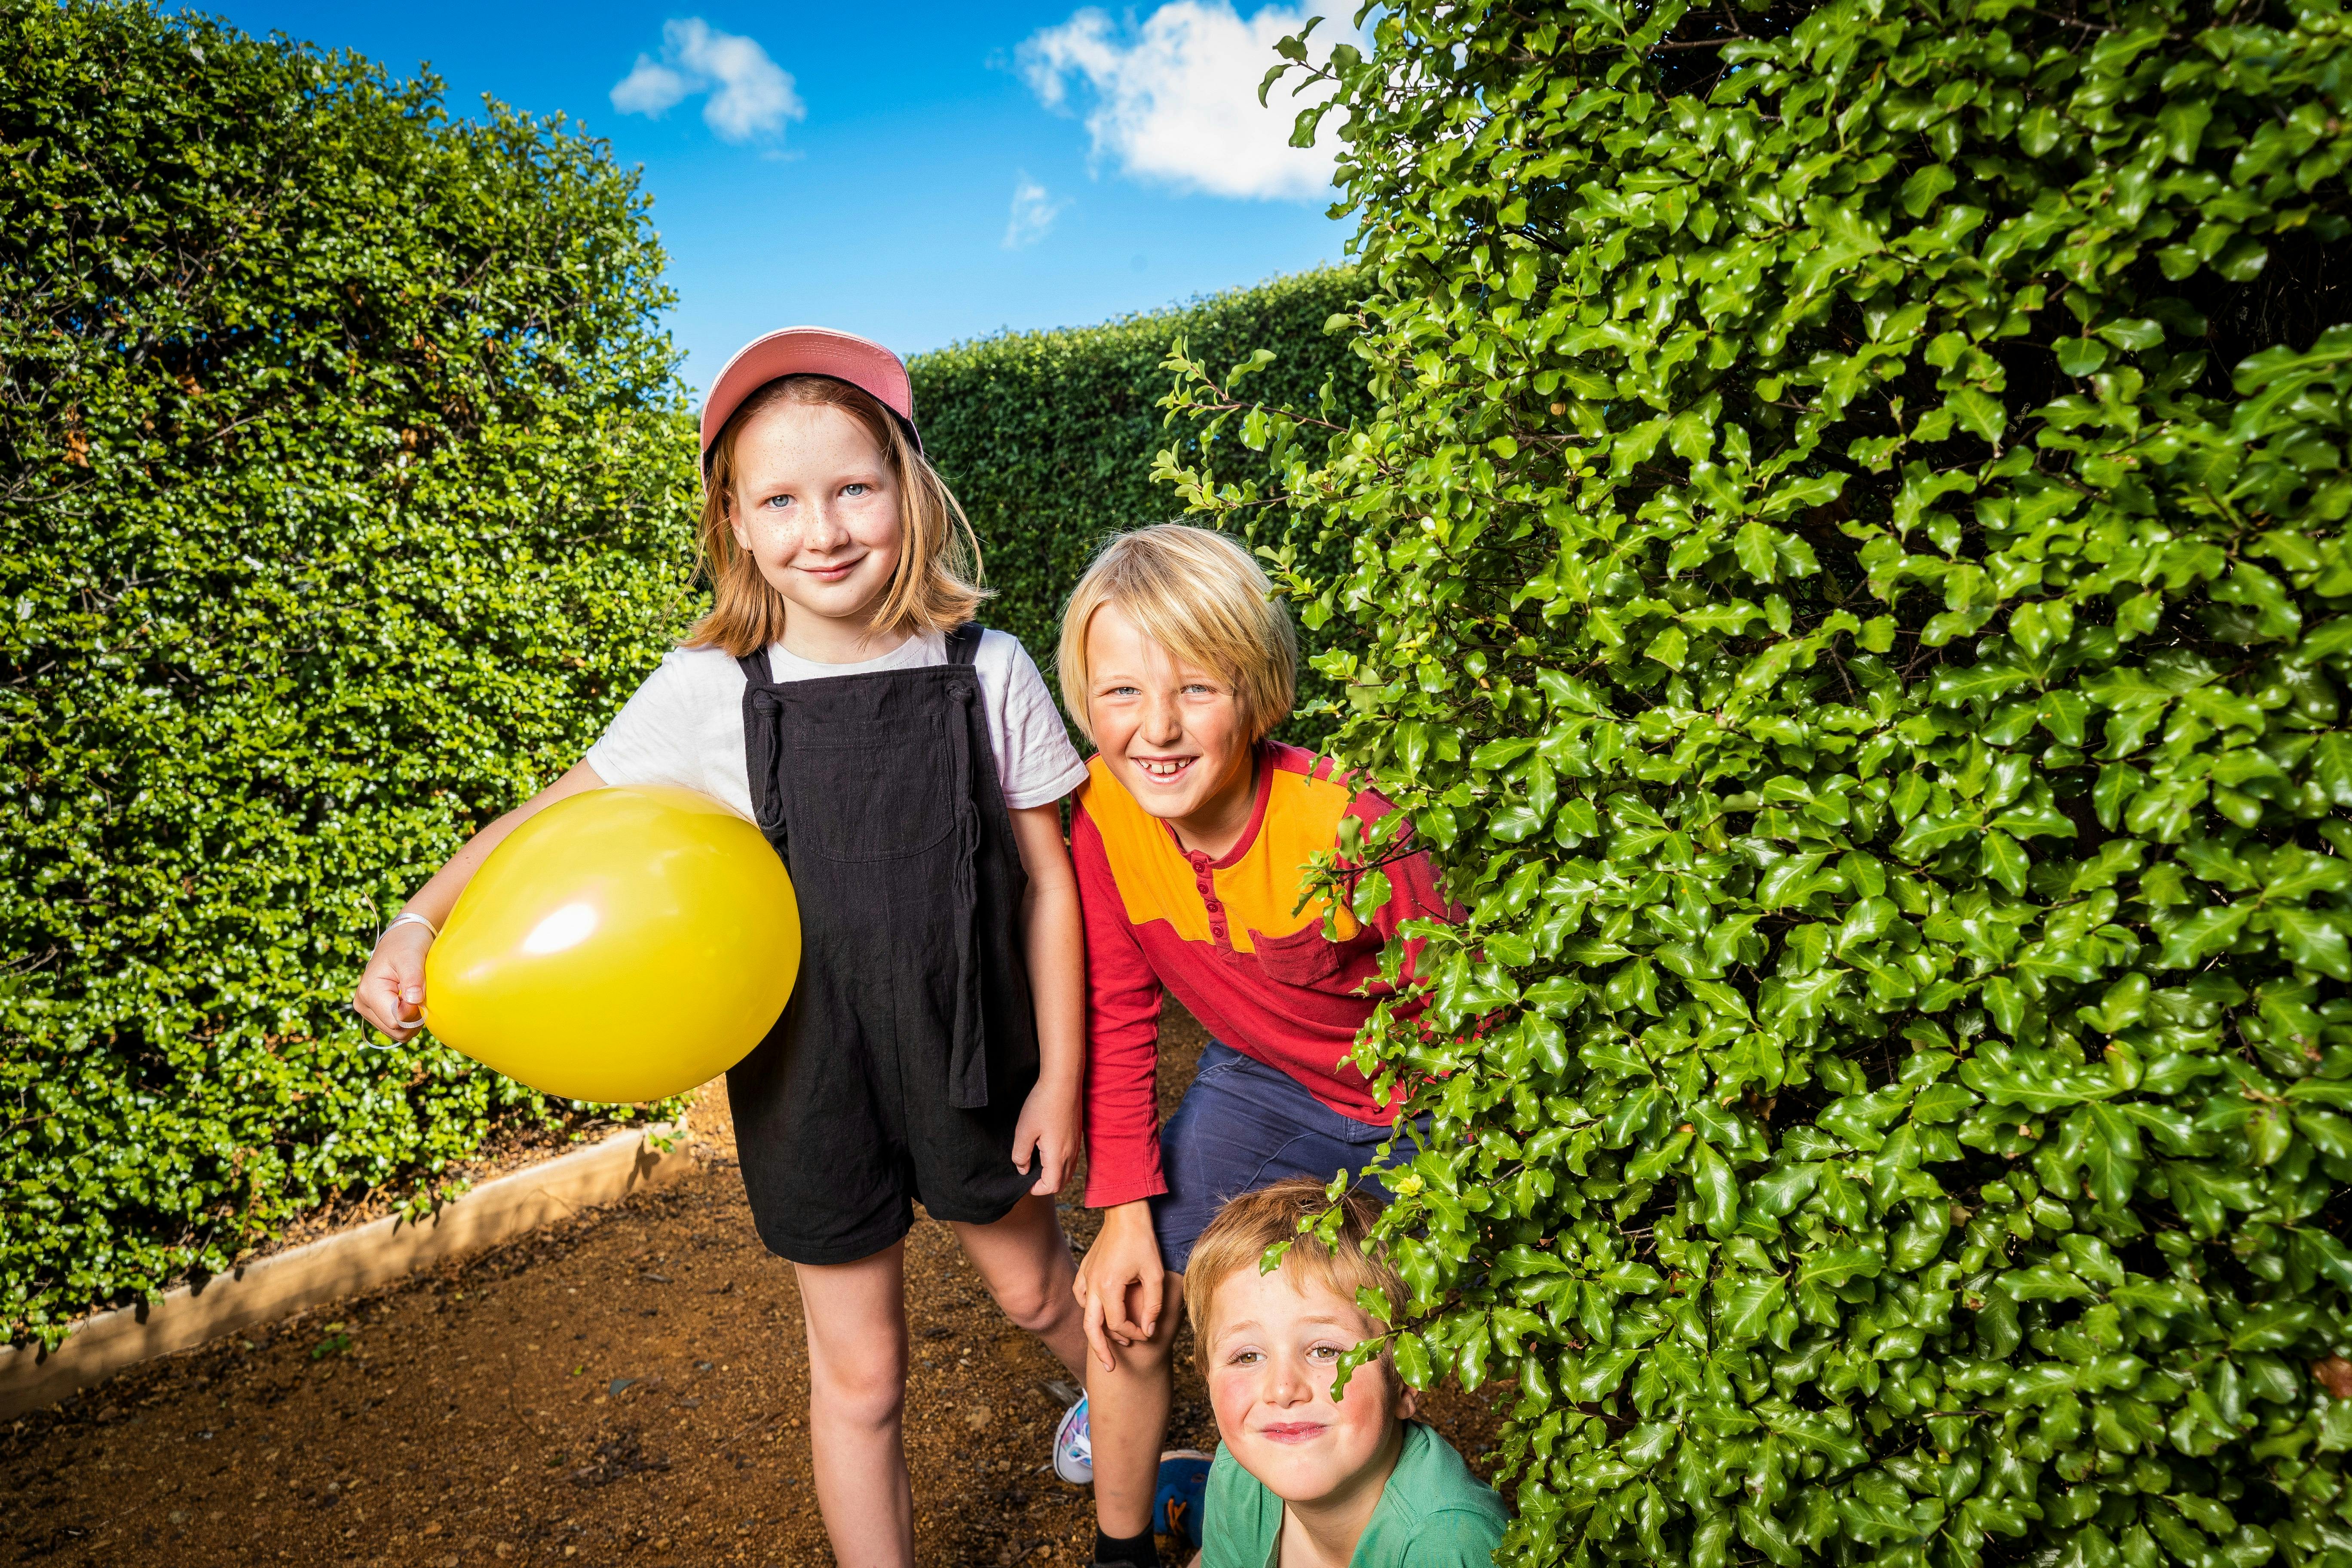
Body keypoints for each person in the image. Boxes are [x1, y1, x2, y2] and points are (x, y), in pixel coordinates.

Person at [351, 328, 1093, 1568]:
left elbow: (1049, 889)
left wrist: (1061, 1079)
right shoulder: (712, 690)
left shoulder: (989, 670)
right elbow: (554, 812)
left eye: (855, 487)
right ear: (738, 525)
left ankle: (1167, 1439)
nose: (826, 529)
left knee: (1040, 1295)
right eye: (782, 500)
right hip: (810, 1085)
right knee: (862, 1382)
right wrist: (419, 916)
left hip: (974, 1054)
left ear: (909, 492)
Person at [1050, 524, 1458, 1568]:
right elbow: (1118, 1012)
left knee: (1451, 1320)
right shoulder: (1100, 816)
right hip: (1262, 1084)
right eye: (1120, 696)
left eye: (1195, 688)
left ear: (1259, 690)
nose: (1156, 729)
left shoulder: (1352, 818)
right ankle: (1124, 1546)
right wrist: (1123, 1213)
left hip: (1424, 1104)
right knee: (1126, 1302)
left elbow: (1465, 1007)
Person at [1188, 1178, 1508, 1568]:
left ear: (1407, 1378)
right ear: (1206, 1376)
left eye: (1326, 1351)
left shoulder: (1448, 1545)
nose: (1283, 1389)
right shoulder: (1240, 1474)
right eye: (1248, 1356)